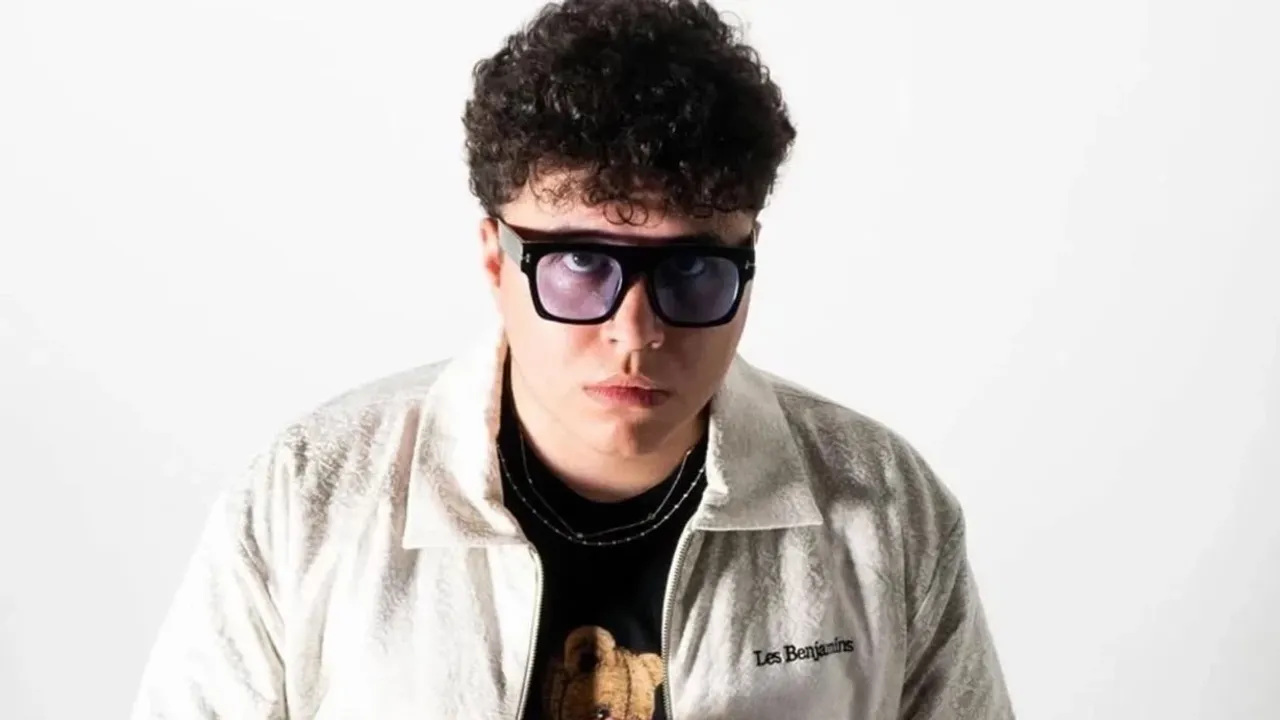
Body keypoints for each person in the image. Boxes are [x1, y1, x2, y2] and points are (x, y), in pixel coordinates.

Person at [130, 0, 1014, 718]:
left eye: (693, 270)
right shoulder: (308, 501)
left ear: (749, 265)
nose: (636, 333)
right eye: (582, 265)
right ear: (496, 261)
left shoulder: (884, 508)